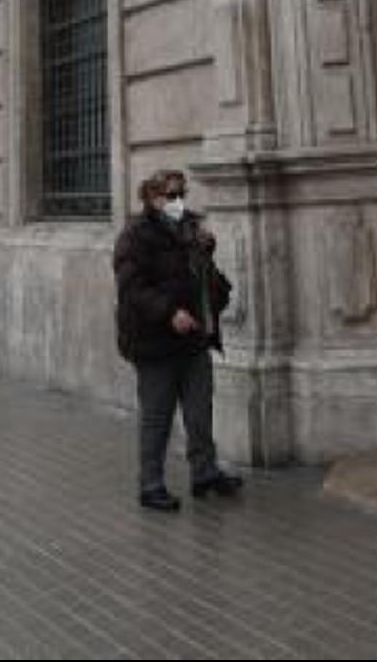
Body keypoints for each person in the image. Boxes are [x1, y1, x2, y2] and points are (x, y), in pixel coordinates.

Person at [113, 169, 242, 512]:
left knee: (200, 412)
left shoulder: (190, 228)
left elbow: (200, 276)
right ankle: (150, 484)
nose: (178, 201)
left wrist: (207, 253)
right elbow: (133, 288)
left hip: (194, 338)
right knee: (158, 416)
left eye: (182, 193)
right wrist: (169, 313)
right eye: (171, 196)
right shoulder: (135, 235)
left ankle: (205, 473)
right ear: (152, 198)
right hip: (155, 342)